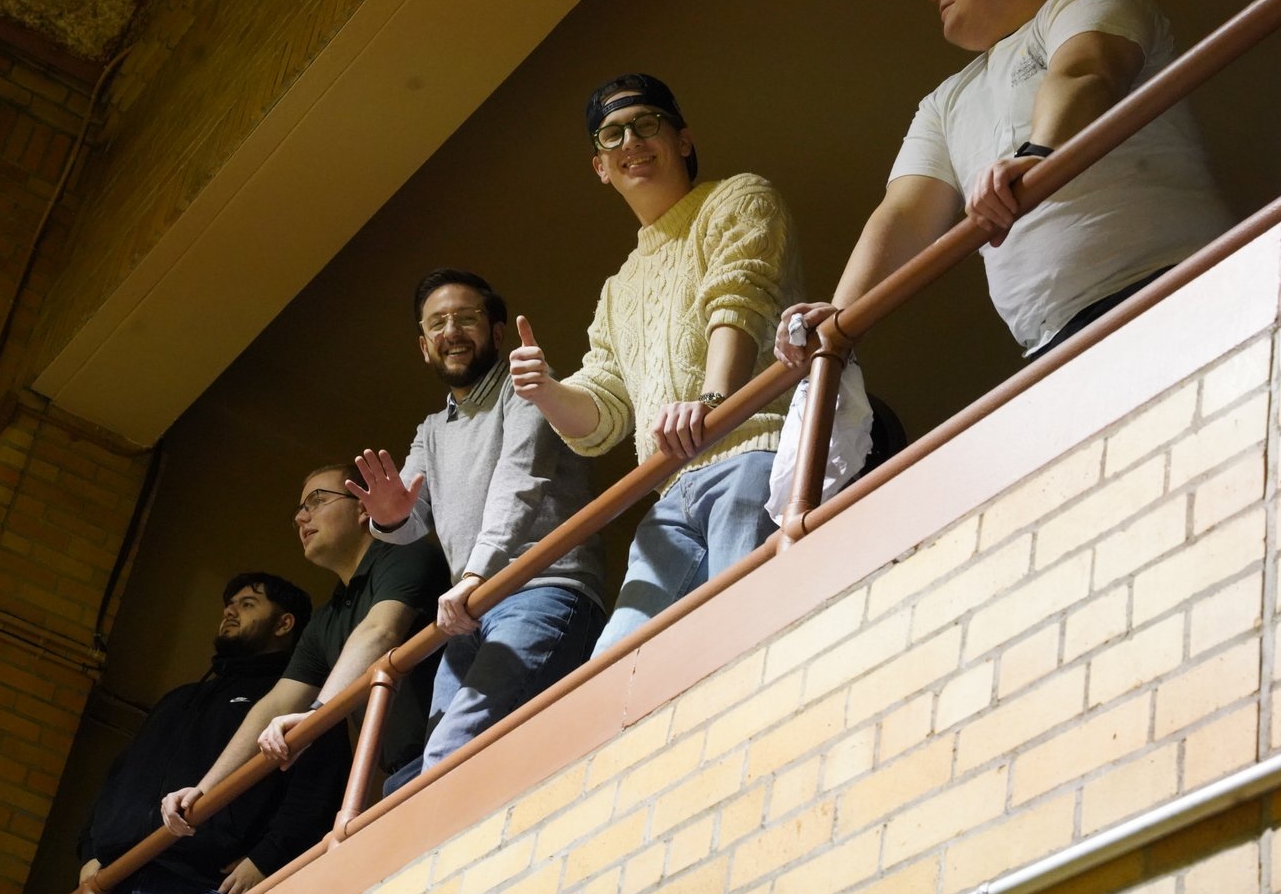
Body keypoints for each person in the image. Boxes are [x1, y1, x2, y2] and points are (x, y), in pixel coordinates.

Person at [776, 0, 1232, 368]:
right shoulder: (945, 100)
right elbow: (904, 213)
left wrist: (1039, 155)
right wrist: (840, 317)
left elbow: (1086, 71)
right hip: (1052, 341)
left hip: (1171, 282)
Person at [510, 73, 802, 655]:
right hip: (670, 492)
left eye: (646, 126)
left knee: (747, 630)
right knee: (617, 663)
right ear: (599, 167)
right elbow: (604, 415)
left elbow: (738, 298)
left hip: (750, 452)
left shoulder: (738, 197)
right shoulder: (618, 288)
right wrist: (545, 391)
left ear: (684, 140)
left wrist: (714, 404)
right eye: (610, 136)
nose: (630, 144)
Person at [350, 268, 608, 792]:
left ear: (497, 333)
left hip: (541, 590)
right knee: (407, 781)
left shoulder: (525, 386)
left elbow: (521, 480)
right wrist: (390, 515)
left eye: (466, 318)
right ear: (424, 346)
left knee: (450, 756)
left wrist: (472, 575)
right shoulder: (431, 428)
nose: (452, 331)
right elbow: (409, 521)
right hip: (472, 610)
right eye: (437, 323)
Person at [158, 466, 449, 843]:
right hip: (403, 769)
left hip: (455, 742)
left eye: (317, 501)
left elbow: (380, 632)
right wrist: (205, 789)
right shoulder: (328, 617)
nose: (300, 517)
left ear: (363, 507)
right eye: (299, 508)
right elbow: (275, 703)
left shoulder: (404, 554)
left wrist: (313, 717)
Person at [77, 572, 348, 894]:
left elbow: (317, 786)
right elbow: (118, 780)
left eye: (247, 604)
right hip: (116, 885)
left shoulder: (298, 701)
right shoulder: (179, 699)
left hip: (203, 892)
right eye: (229, 605)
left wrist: (266, 859)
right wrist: (90, 852)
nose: (230, 612)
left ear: (284, 624)